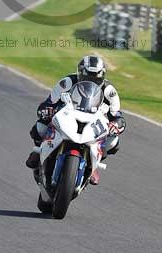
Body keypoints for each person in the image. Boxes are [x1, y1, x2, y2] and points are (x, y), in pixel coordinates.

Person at [26, 55, 126, 183]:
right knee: (40, 126)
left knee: (113, 141)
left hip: (93, 120)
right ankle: (39, 150)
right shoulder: (67, 82)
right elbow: (49, 102)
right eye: (88, 78)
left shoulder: (109, 91)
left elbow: (117, 115)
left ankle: (94, 165)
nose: (92, 82)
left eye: (96, 79)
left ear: (102, 77)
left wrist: (115, 125)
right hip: (68, 114)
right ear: (80, 74)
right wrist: (47, 110)